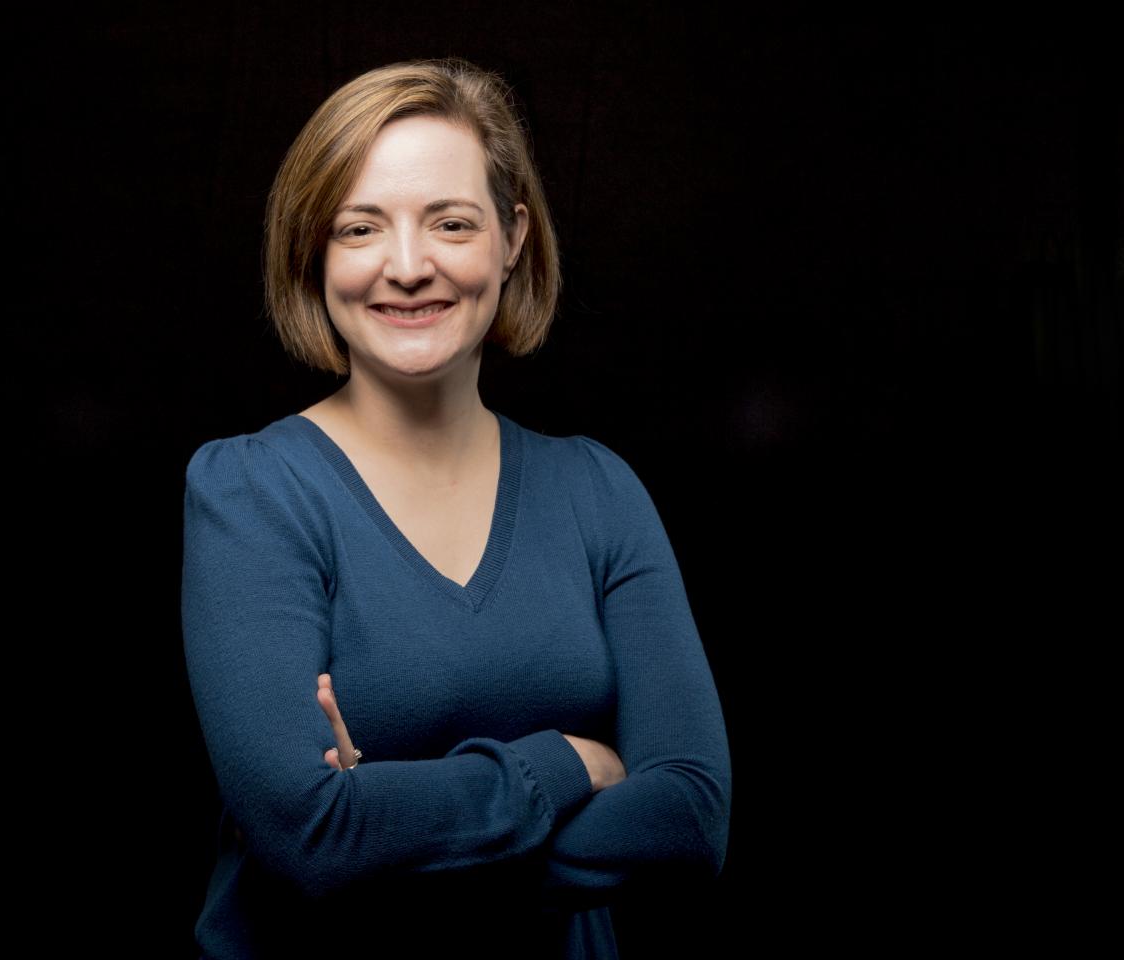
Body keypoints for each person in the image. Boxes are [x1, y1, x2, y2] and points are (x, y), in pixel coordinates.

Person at [181, 57, 731, 959]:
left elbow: (690, 816)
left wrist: (387, 831)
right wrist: (569, 762)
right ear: (315, 250)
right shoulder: (252, 493)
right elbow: (309, 838)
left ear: (513, 237)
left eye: (451, 222)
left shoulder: (597, 491)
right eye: (360, 227)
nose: (407, 267)